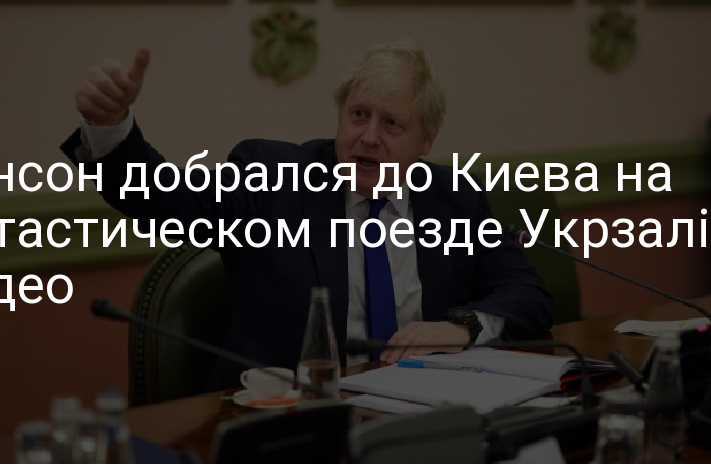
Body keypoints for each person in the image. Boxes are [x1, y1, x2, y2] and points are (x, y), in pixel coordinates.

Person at [62, 39, 555, 390]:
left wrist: (461, 327)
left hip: (419, 423)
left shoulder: (455, 198)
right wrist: (111, 130)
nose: (368, 137)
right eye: (358, 115)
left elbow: (527, 293)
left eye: (391, 124)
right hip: (289, 427)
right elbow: (166, 199)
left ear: (426, 142)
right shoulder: (271, 178)